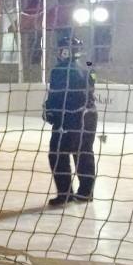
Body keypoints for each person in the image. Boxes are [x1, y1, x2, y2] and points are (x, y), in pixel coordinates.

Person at [43, 36, 97, 206]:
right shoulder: (87, 67)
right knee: (83, 152)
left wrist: (50, 111)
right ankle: (86, 191)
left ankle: (65, 193)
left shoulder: (59, 70)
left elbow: (57, 95)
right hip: (88, 116)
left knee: (57, 153)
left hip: (71, 116)